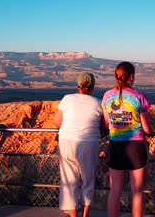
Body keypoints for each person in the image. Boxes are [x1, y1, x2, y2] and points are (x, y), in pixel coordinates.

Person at [102, 62, 154, 217]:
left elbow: (106, 124)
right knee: (137, 191)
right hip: (135, 147)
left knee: (115, 190)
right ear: (131, 77)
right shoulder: (138, 97)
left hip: (116, 146)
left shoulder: (106, 96)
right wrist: (152, 132)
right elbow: (146, 128)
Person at [53, 72, 105, 217]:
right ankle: (85, 214)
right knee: (88, 179)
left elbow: (57, 122)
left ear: (78, 85)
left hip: (66, 142)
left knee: (69, 180)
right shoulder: (98, 102)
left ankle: (73, 215)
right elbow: (104, 125)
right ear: (93, 86)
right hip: (89, 142)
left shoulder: (67, 99)